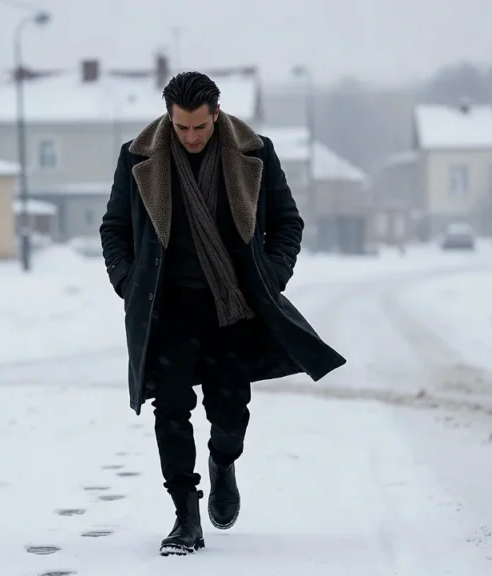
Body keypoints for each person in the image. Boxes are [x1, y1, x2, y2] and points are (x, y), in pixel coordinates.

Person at [99, 71, 346, 556]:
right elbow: (114, 228)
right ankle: (185, 516)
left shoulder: (254, 153)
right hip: (165, 309)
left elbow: (287, 221)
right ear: (169, 118)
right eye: (181, 127)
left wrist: (272, 276)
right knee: (169, 410)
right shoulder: (138, 156)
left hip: (232, 307)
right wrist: (128, 284)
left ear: (217, 114)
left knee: (229, 414)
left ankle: (222, 462)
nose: (190, 137)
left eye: (199, 127)